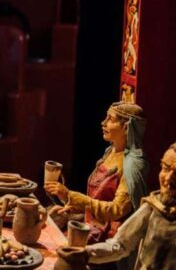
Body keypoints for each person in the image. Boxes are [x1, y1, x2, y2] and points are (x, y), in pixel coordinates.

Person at [45, 102, 148, 270]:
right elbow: (98, 199)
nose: (104, 123)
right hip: (92, 229)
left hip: (107, 242)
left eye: (111, 119)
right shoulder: (110, 152)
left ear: (126, 128)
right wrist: (71, 207)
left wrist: (75, 198)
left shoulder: (133, 165)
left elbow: (117, 210)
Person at [85, 142, 176, 270]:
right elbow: (120, 245)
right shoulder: (154, 206)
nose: (168, 179)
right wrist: (83, 254)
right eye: (165, 168)